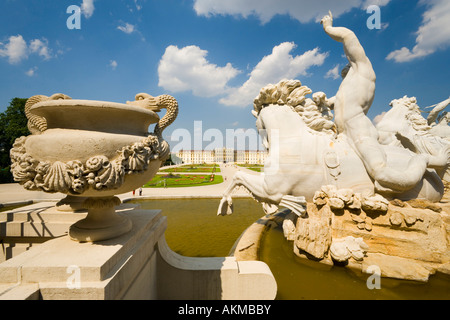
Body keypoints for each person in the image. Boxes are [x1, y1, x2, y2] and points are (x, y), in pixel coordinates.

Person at [321, 12, 446, 193]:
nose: (344, 74)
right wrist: (323, 101)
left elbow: (348, 36)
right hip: (340, 133)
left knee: (381, 173)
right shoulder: (346, 86)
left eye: (346, 69)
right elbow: (335, 101)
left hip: (358, 129)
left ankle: (425, 160)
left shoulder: (363, 69)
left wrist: (328, 27)